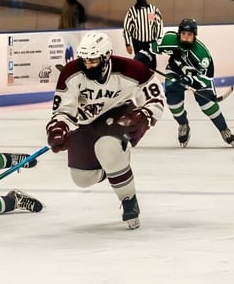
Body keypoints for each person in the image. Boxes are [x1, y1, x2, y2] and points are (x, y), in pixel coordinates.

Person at [45, 31, 166, 229]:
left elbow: (156, 98)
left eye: (92, 60)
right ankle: (115, 169)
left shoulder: (131, 69)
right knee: (81, 179)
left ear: (106, 57)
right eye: (83, 60)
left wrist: (145, 115)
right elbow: (62, 111)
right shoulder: (71, 72)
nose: (87, 65)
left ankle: (128, 198)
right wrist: (58, 128)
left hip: (119, 114)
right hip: (86, 123)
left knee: (107, 148)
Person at [153, 18, 234, 148]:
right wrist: (143, 57)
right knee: (173, 101)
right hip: (175, 71)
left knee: (206, 104)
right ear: (179, 34)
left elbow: (206, 78)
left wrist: (191, 80)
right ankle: (183, 125)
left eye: (189, 35)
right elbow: (151, 48)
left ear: (194, 36)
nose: (186, 38)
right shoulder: (169, 39)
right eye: (184, 34)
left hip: (198, 77)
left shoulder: (201, 55)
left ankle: (223, 128)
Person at [122, 0, 163, 70]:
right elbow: (127, 28)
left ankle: (151, 81)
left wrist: (158, 41)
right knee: (139, 63)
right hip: (138, 42)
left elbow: (158, 25)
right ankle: (141, 81)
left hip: (151, 42)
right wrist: (127, 43)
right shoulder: (132, 11)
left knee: (152, 64)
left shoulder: (153, 10)